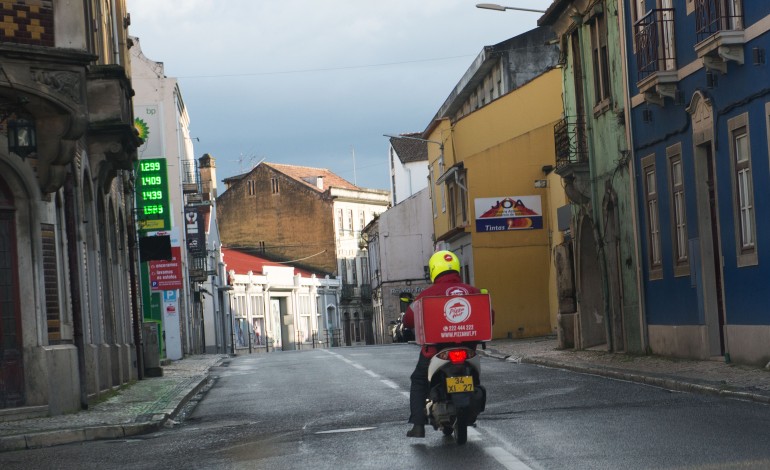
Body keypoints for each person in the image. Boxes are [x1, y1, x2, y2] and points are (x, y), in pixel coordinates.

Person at [402, 250, 483, 438]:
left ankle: (418, 425)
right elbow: (490, 316)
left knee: (419, 380)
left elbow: (408, 320)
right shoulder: (473, 291)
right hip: (467, 349)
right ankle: (471, 409)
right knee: (476, 376)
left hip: (435, 351)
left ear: (434, 270)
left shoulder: (426, 295)